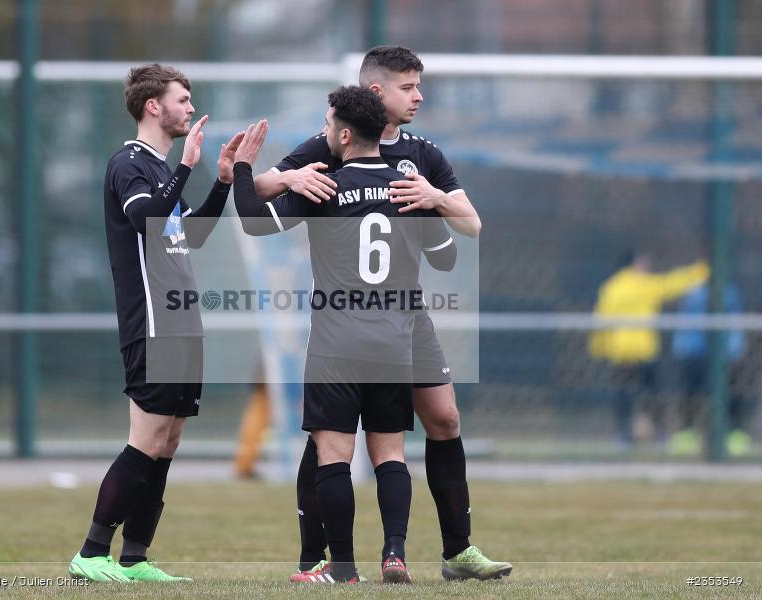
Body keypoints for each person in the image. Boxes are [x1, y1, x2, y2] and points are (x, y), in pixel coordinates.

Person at [254, 45, 510, 581]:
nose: (418, 96)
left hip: (405, 314)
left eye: (419, 86)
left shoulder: (424, 155)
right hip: (362, 317)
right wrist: (291, 178)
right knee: (332, 438)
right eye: (408, 86)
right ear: (376, 92)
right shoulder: (325, 145)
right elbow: (262, 187)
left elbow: (472, 224)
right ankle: (318, 556)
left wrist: (435, 195)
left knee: (444, 419)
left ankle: (457, 552)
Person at [233, 86, 458, 584]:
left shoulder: (326, 186)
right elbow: (446, 257)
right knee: (390, 453)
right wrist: (432, 203)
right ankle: (395, 555)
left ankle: (343, 569)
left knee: (334, 455)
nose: (326, 131)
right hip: (395, 341)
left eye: (329, 123)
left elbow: (253, 222)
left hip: (337, 342)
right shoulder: (410, 187)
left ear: (345, 133)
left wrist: (245, 169)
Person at [68, 63, 243, 583]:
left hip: (182, 318)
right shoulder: (130, 164)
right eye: (182, 99)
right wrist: (187, 166)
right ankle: (91, 553)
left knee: (168, 441)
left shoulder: (162, 171)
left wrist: (224, 183)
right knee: (146, 439)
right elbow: (147, 221)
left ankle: (135, 557)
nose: (190, 108)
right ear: (153, 106)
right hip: (151, 321)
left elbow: (194, 235)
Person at [589, 251, 709, 445]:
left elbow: (601, 320)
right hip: (644, 350)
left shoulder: (611, 287)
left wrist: (598, 348)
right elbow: (672, 284)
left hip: (619, 352)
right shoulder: (644, 284)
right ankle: (658, 433)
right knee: (652, 394)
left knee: (623, 396)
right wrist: (700, 271)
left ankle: (623, 435)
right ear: (635, 264)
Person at [671, 281, 751, 456]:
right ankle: (687, 433)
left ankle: (733, 434)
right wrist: (682, 347)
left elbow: (735, 321)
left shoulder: (729, 292)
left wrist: (735, 350)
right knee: (691, 394)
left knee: (731, 393)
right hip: (694, 352)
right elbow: (684, 321)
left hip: (724, 354)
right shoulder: (690, 291)